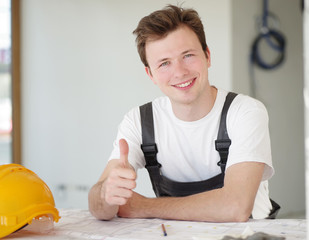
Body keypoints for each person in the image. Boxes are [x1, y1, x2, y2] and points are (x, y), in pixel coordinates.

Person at [88, 4, 279, 222]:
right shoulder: (139, 121)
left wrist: (142, 206)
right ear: (151, 74)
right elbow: (98, 205)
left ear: (207, 56)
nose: (179, 72)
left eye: (187, 55)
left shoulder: (245, 112)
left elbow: (235, 207)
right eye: (164, 63)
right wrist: (107, 196)